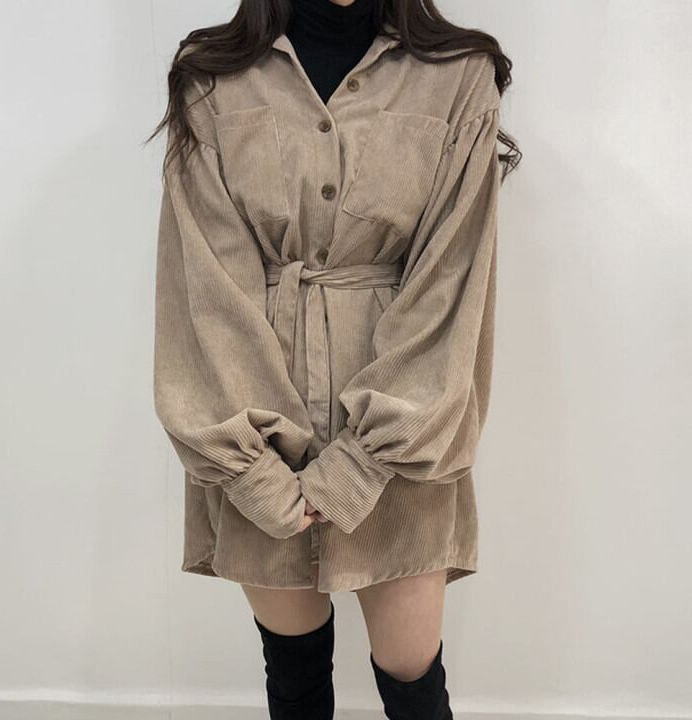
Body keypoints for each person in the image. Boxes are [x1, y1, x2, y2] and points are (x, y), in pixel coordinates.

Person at [147, 0, 520, 717]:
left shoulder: (459, 74)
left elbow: (453, 284)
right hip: (257, 421)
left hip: (404, 433)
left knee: (413, 679)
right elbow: (203, 289)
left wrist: (362, 460)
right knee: (293, 673)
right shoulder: (212, 75)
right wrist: (255, 467)